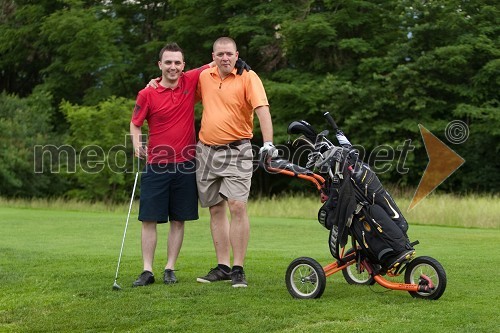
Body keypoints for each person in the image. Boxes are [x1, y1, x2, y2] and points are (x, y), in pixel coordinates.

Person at [195, 37, 277, 288]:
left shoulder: (248, 77)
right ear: (213, 56)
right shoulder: (204, 76)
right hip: (206, 151)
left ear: (237, 54)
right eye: (220, 54)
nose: (225, 58)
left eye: (229, 54)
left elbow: (262, 109)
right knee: (215, 208)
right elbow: (181, 84)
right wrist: (158, 80)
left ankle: (238, 268)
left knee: (237, 206)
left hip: (237, 150)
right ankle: (223, 267)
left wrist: (268, 143)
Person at [129, 43, 212, 287]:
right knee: (149, 219)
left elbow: (218, 60)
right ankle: (147, 271)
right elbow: (135, 123)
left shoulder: (189, 81)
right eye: (168, 62)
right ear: (160, 65)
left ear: (183, 65)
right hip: (156, 165)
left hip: (186, 164)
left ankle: (169, 268)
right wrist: (136, 143)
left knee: (178, 219)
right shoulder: (147, 93)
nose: (173, 67)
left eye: (177, 62)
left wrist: (241, 65)